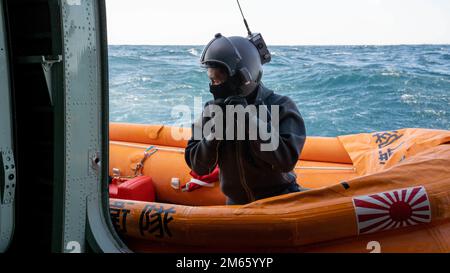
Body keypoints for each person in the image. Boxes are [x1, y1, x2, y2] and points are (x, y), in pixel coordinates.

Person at [184, 33, 307, 205]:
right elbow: (198, 166)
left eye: (220, 78)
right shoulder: (212, 110)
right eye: (212, 79)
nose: (215, 86)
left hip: (280, 200)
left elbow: (286, 160)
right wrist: (214, 134)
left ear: (243, 76)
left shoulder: (281, 105)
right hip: (236, 204)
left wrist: (249, 120)